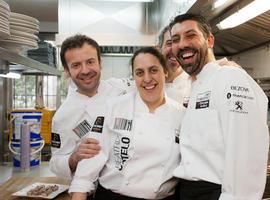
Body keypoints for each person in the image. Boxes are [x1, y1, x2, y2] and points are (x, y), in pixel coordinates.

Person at [170, 13, 269, 200]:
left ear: (209, 40)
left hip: (215, 193)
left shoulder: (229, 77)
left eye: (190, 35)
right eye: (176, 39)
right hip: (188, 191)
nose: (182, 44)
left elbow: (245, 155)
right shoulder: (197, 85)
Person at [69, 47, 185, 200]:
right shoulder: (114, 107)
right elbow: (90, 163)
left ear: (165, 71)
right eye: (139, 73)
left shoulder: (182, 115)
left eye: (153, 70)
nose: (147, 78)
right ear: (134, 77)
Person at [49, 34, 134, 178]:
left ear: (100, 63)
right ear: (67, 70)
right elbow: (55, 162)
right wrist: (74, 158)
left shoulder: (122, 89)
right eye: (76, 65)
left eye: (90, 62)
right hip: (89, 189)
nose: (85, 70)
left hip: (132, 179)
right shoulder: (62, 116)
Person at [158, 25, 191, 106]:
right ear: (159, 50)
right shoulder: (149, 83)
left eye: (177, 42)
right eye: (169, 43)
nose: (175, 49)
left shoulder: (195, 84)